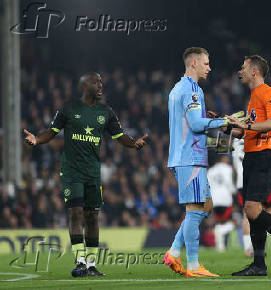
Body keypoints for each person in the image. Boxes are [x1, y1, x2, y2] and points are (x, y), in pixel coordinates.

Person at [23, 72, 149, 277]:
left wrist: (133, 144)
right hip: (72, 170)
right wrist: (36, 140)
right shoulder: (68, 108)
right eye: (95, 82)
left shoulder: (105, 112)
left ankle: (91, 264)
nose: (100, 85)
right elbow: (52, 132)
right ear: (84, 86)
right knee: (76, 212)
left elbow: (120, 135)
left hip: (93, 171)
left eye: (101, 82)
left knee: (92, 216)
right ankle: (80, 261)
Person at [163, 47, 246, 278]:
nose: (209, 68)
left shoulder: (178, 89)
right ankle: (192, 265)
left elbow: (192, 129)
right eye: (206, 63)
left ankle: (172, 252)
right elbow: (197, 125)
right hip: (190, 159)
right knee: (195, 209)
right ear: (194, 64)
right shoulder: (191, 90)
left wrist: (224, 137)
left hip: (189, 155)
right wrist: (225, 121)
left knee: (206, 206)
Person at [228, 55, 271, 276]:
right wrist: (228, 126)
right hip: (250, 157)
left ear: (254, 71)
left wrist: (246, 124)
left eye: (243, 68)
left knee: (252, 208)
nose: (240, 71)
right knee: (252, 212)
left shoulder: (268, 92)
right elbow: (249, 129)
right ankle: (259, 264)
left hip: (264, 156)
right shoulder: (253, 97)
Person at [232, 138, 271, 257]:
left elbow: (235, 164)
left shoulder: (235, 142)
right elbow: (268, 157)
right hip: (260, 177)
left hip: (242, 181)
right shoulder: (259, 133)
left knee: (246, 215)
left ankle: (249, 248)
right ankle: (260, 244)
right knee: (270, 210)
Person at [207, 155, 236, 252]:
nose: (227, 159)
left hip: (215, 199)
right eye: (226, 157)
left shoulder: (210, 171)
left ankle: (220, 247)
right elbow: (229, 183)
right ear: (221, 158)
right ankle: (220, 231)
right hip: (225, 198)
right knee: (232, 223)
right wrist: (234, 191)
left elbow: (208, 186)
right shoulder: (228, 169)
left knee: (219, 222)